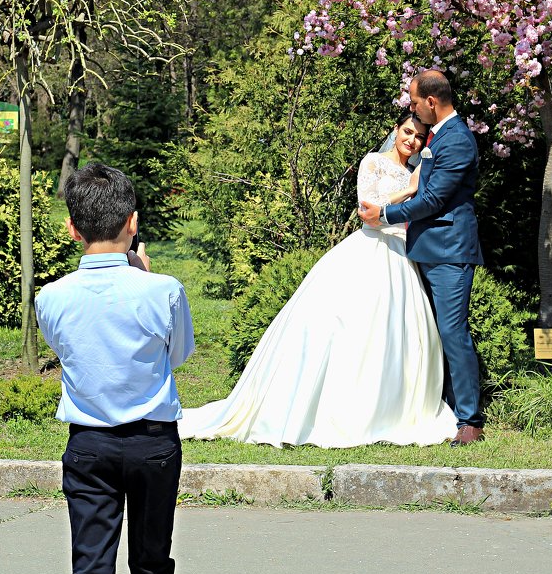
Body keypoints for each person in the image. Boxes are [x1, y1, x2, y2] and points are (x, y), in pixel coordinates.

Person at [179, 110, 457, 448]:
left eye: (418, 137)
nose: (411, 141)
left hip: (401, 257)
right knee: (346, 327)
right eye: (407, 132)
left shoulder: (416, 172)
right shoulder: (373, 163)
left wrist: (416, 185)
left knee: (397, 334)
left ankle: (386, 409)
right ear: (396, 129)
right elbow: (368, 214)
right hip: (370, 250)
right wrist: (406, 191)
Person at [35, 162, 196, 574]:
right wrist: (141, 274)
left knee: (90, 572)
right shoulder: (163, 289)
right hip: (153, 443)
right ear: (133, 223)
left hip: (89, 443)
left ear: (72, 229)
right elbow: (178, 354)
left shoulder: (51, 296)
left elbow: (67, 350)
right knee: (151, 566)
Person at [360, 69, 486, 447]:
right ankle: (437, 406)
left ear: (431, 101)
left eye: (415, 102)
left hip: (449, 252)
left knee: (452, 332)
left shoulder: (458, 140)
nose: (412, 108)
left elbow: (433, 200)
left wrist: (383, 216)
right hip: (425, 250)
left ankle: (469, 419)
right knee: (428, 334)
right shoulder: (437, 136)